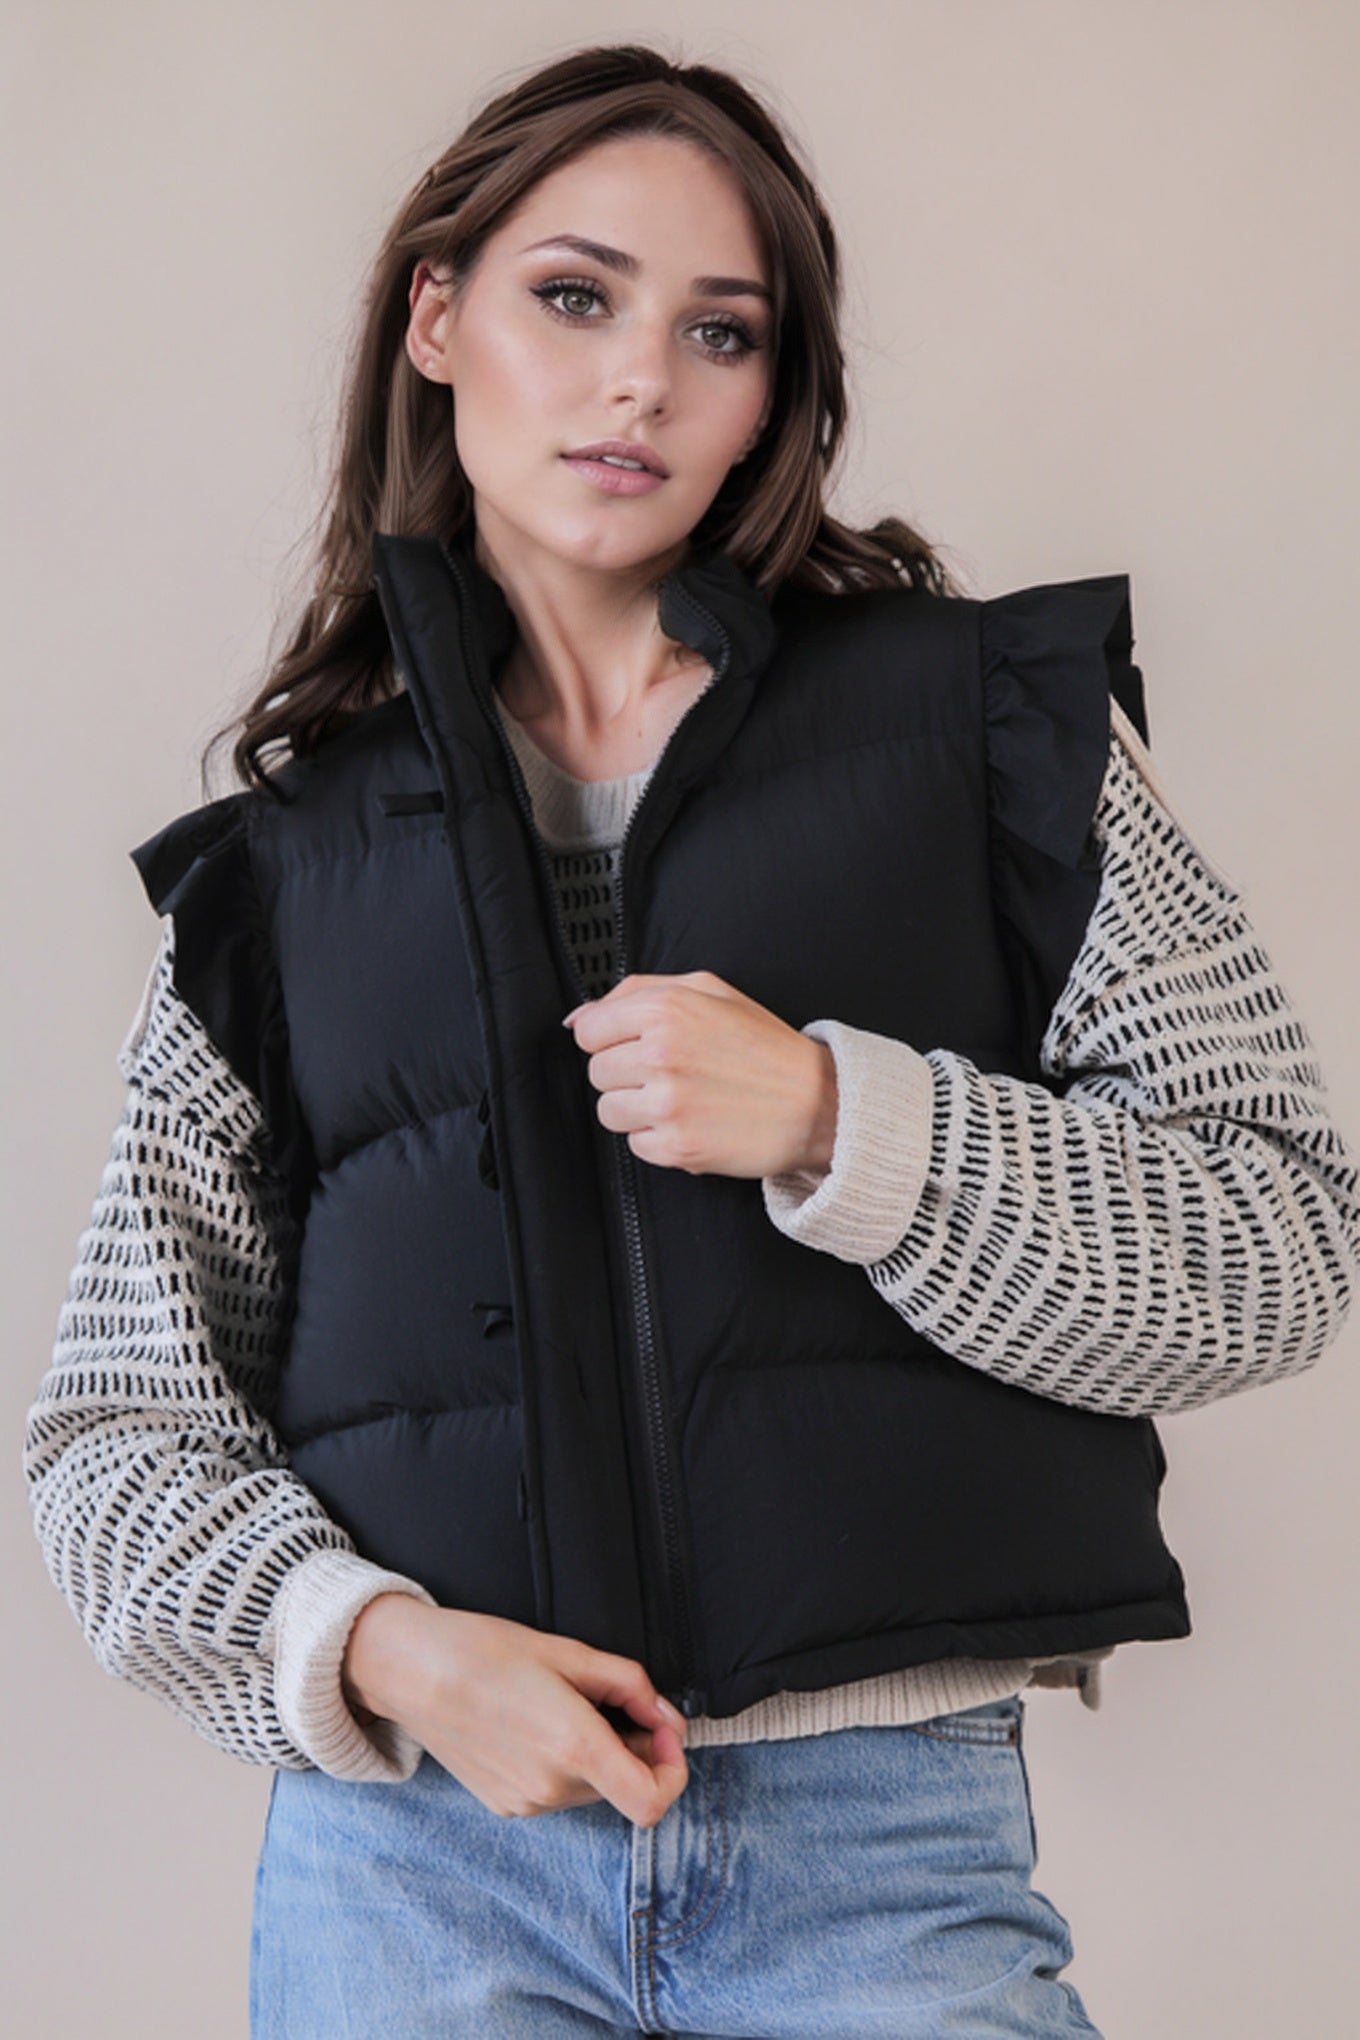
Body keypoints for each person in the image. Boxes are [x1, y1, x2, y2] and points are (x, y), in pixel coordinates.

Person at [22, 39, 1360, 2040]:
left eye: (717, 331)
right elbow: (114, 1436)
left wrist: (845, 1124)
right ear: (437, 319)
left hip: (875, 1859)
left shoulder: (990, 737)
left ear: (772, 394)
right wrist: (386, 1651)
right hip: (415, 1872)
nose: (640, 379)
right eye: (575, 297)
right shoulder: (281, 879)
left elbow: (1278, 1247)